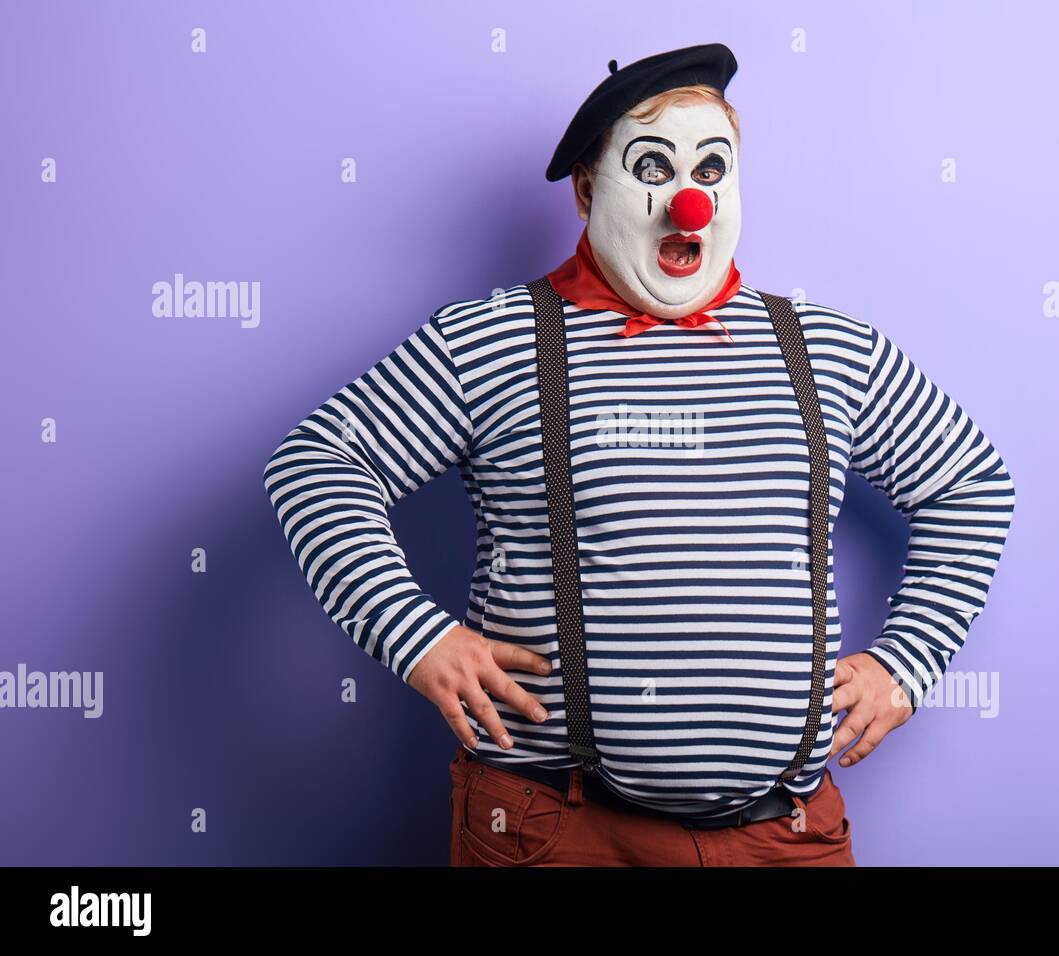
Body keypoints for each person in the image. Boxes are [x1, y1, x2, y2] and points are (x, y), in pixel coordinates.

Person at [263, 43, 1016, 867]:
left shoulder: (826, 349)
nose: (687, 204)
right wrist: (415, 637)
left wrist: (906, 661)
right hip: (557, 828)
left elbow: (971, 484)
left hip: (784, 836)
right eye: (652, 169)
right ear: (588, 191)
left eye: (710, 170)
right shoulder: (491, 341)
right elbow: (317, 465)